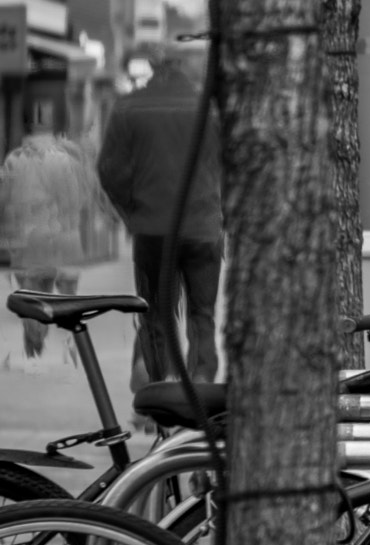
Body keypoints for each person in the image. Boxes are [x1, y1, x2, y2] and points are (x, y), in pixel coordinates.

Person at [97, 49, 221, 388]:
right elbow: (228, 165)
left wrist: (132, 211)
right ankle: (201, 381)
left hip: (153, 229)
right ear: (184, 67)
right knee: (202, 315)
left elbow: (109, 172)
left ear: (152, 70)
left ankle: (159, 385)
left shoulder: (129, 107)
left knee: (155, 315)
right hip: (202, 229)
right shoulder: (208, 107)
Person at [0, 112, 98, 365]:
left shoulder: (13, 160)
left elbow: (4, 201)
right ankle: (72, 349)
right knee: (67, 297)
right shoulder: (68, 159)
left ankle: (35, 337)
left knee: (33, 292)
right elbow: (82, 199)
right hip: (64, 237)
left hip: (30, 239)